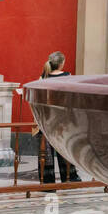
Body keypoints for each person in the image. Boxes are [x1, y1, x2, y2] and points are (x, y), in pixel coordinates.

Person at [38, 52, 78, 183]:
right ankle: (69, 177)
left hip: (47, 119)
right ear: (62, 63)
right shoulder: (68, 77)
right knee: (64, 148)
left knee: (47, 152)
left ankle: (47, 180)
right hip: (62, 119)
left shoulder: (43, 77)